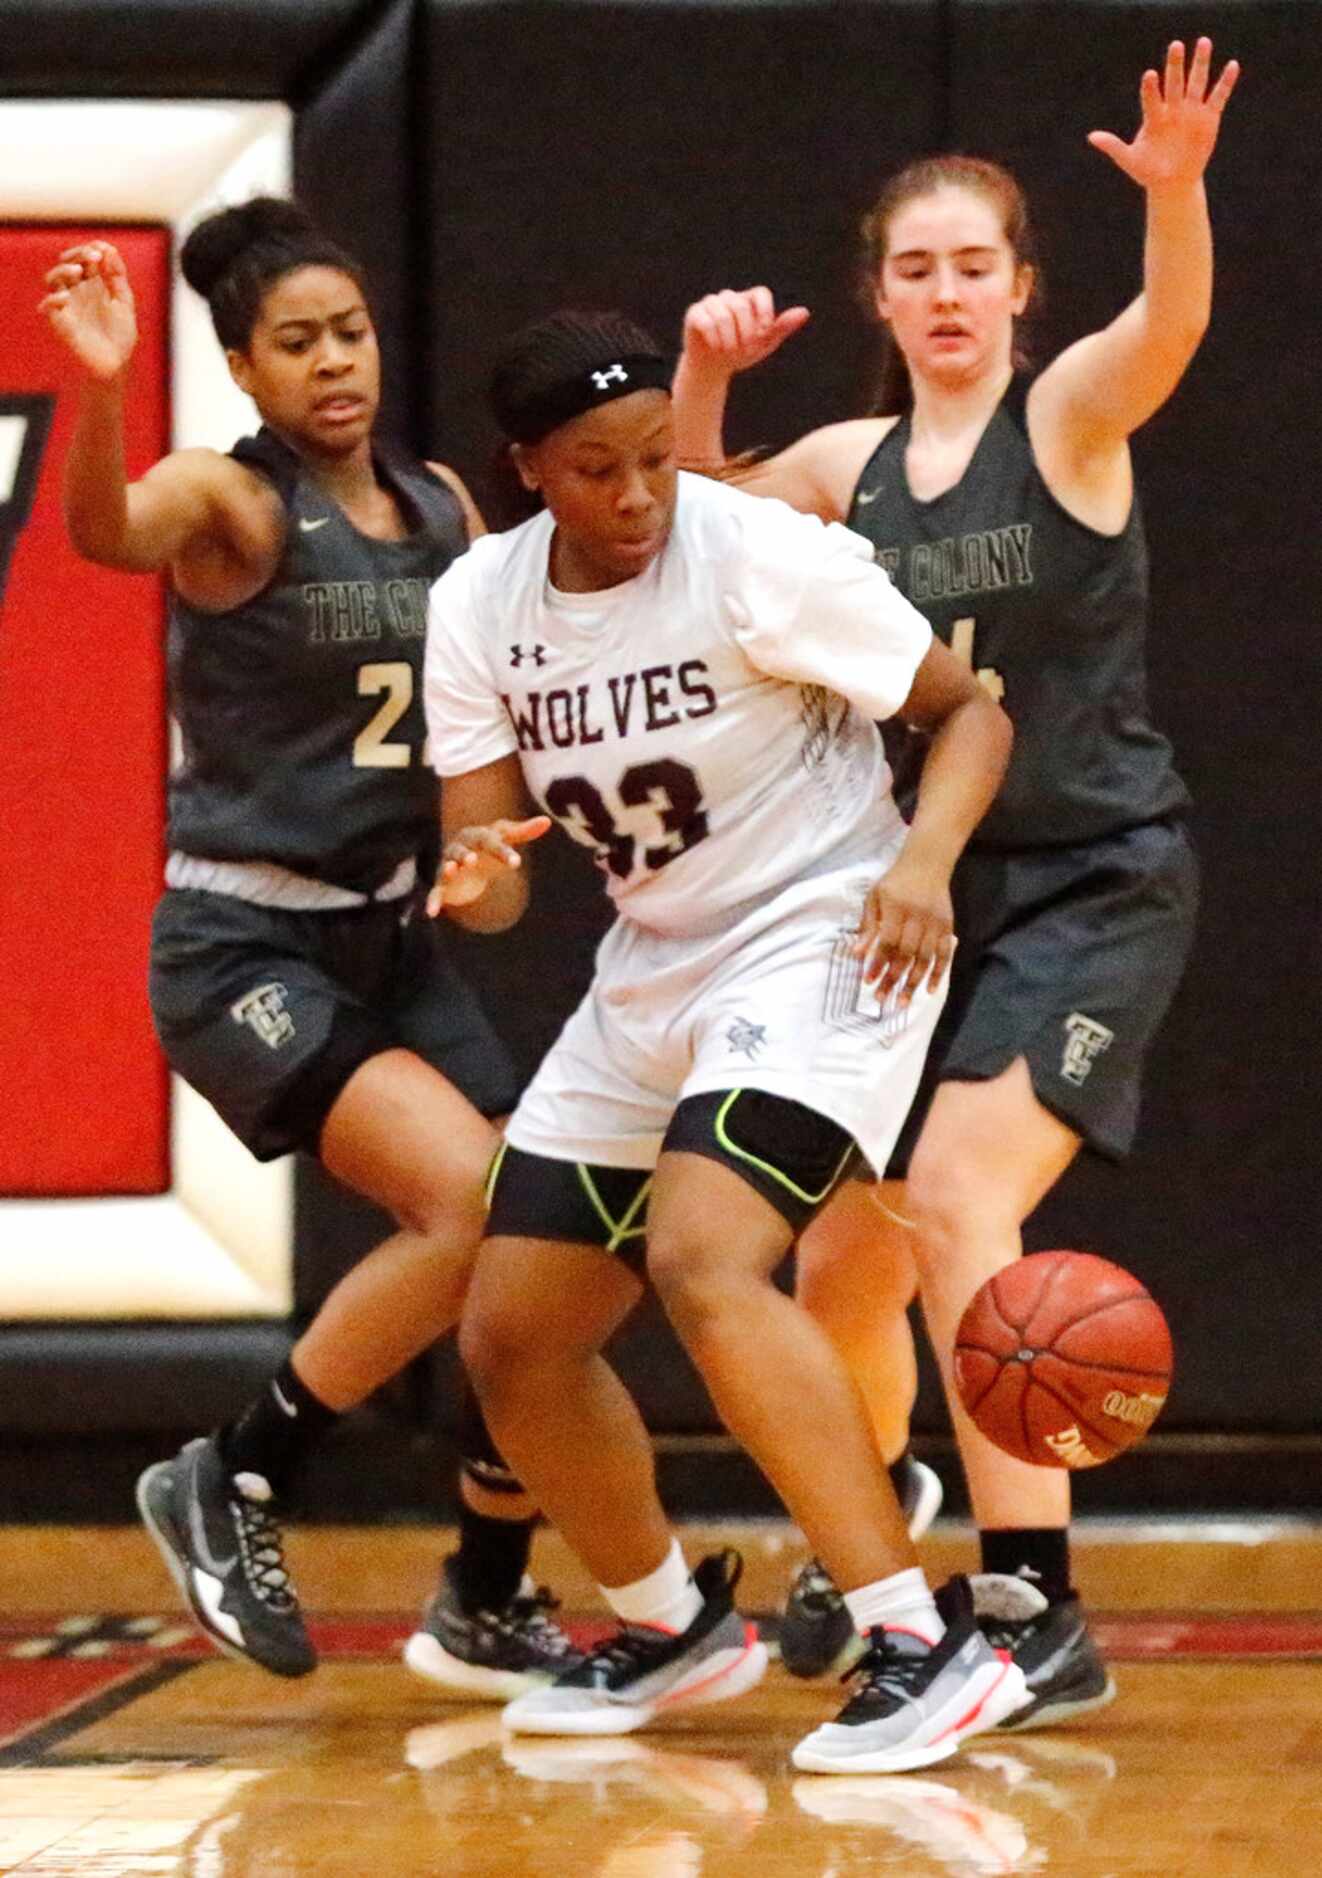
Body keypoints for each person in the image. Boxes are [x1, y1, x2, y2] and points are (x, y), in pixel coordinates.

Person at [671, 38, 1238, 1719]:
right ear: (877, 294)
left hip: (1093, 874)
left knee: (952, 1196)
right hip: (920, 891)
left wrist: (1178, 196)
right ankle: (882, 1533)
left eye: (971, 267)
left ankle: (1033, 1607)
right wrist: (704, 377)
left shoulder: (1061, 417)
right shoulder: (845, 464)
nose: (943, 293)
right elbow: (697, 514)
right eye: (913, 268)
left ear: (1017, 293)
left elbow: (1175, 329)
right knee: (839, 1261)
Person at [423, 307, 1022, 1774]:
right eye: (596, 471)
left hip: (829, 929)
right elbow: (488, 868)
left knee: (703, 1255)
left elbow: (973, 718)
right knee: (513, 1331)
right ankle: (668, 1618)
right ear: (528, 473)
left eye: (652, 462)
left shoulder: (752, 552)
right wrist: (482, 876)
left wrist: (922, 863)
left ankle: (917, 1639)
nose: (636, 498)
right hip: (653, 965)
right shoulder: (478, 602)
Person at [38, 199, 579, 1695]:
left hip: (394, 938)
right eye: (298, 343)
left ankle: (485, 1585)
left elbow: (491, 799)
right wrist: (97, 386)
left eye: (350, 332)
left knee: (549, 1246)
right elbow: (100, 530)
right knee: (468, 1204)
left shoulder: (449, 507)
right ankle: (233, 1470)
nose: (336, 362)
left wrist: (486, 873)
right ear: (242, 367)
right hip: (243, 944)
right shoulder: (231, 498)